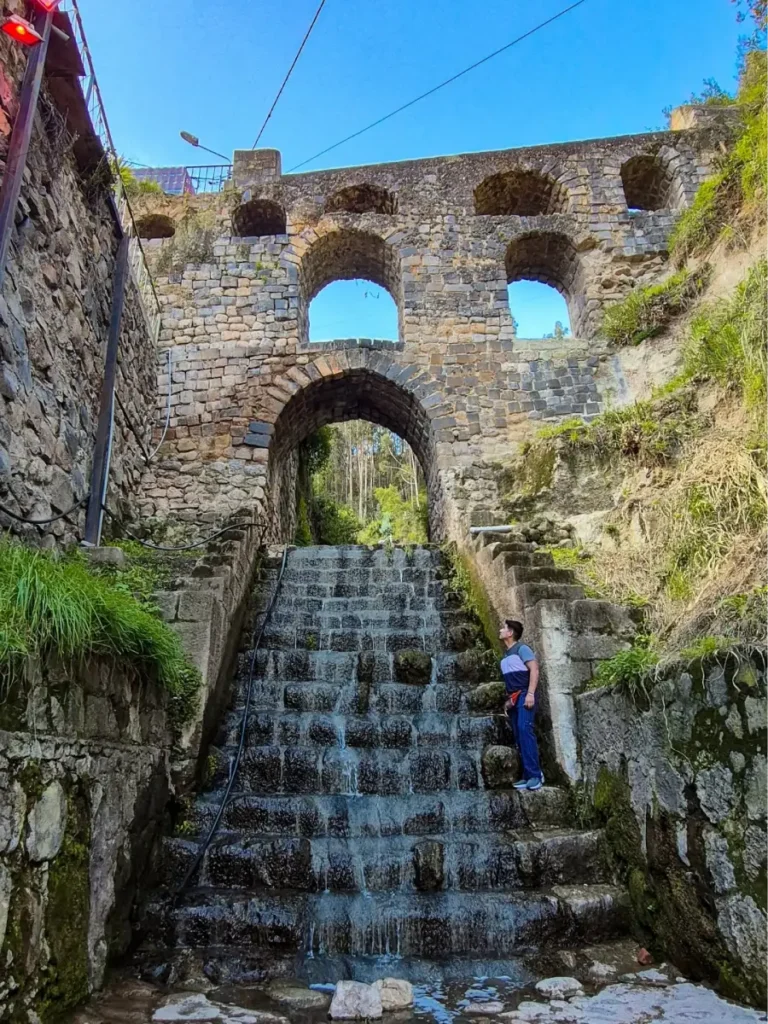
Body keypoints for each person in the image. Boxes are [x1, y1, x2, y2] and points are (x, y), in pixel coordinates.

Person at [498, 619, 544, 792]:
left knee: (525, 730)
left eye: (504, 628)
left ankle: (536, 776)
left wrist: (530, 693)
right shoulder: (506, 654)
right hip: (514, 698)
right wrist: (509, 700)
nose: (500, 630)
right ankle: (527, 775)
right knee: (519, 735)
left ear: (510, 633)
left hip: (525, 695)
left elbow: (534, 669)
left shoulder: (522, 649)